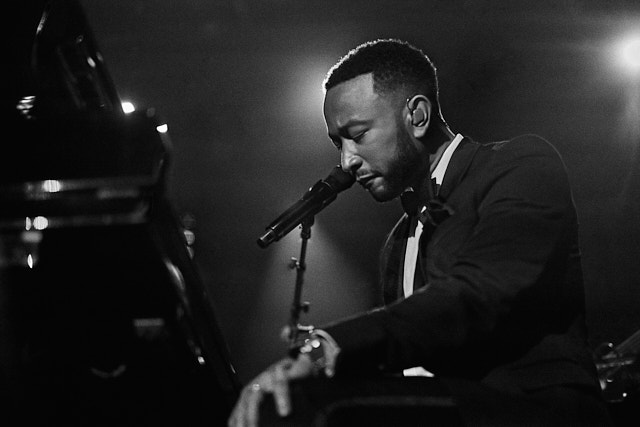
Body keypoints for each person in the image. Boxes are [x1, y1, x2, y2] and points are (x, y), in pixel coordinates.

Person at [228, 38, 612, 426]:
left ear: (418, 115)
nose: (346, 162)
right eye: (337, 142)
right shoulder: (398, 240)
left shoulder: (520, 165)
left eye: (358, 134)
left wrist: (328, 347)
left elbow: (479, 293)